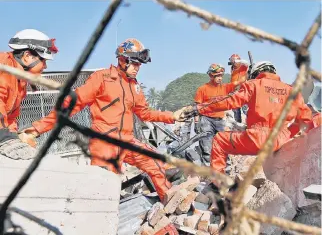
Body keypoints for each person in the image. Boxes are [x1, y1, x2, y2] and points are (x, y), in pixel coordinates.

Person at [21, 38, 184, 202]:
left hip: (127, 141)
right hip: (104, 144)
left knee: (155, 162)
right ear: (122, 59)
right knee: (104, 191)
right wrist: (37, 129)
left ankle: (170, 204)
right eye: (134, 64)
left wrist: (172, 116)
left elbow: (145, 113)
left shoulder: (134, 86)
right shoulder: (102, 78)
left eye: (139, 65)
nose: (137, 69)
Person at [181, 61, 312, 174]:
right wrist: (288, 134)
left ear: (256, 73)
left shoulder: (254, 84)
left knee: (220, 140)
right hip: (280, 140)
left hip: (257, 140)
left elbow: (229, 101)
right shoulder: (291, 90)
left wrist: (197, 108)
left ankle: (217, 184)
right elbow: (306, 118)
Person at [0, 29, 58, 160]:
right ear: (27, 56)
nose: (45, 67)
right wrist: (6, 139)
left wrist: (15, 136)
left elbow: (10, 117)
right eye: (43, 60)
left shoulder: (20, 80)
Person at [193, 63, 245, 166]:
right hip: (206, 120)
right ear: (211, 76)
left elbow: (239, 82)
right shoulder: (202, 89)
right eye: (217, 76)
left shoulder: (225, 88)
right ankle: (208, 168)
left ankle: (227, 167)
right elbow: (196, 107)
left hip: (220, 120)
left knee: (223, 144)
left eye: (221, 75)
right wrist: (196, 122)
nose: (220, 78)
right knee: (207, 145)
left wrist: (245, 68)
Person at [228, 54, 249, 123]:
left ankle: (250, 123)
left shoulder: (244, 66)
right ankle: (238, 126)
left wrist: (238, 60)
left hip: (243, 91)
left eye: (233, 61)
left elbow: (247, 63)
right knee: (236, 111)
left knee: (245, 109)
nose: (233, 63)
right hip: (234, 92)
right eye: (231, 60)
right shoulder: (232, 68)